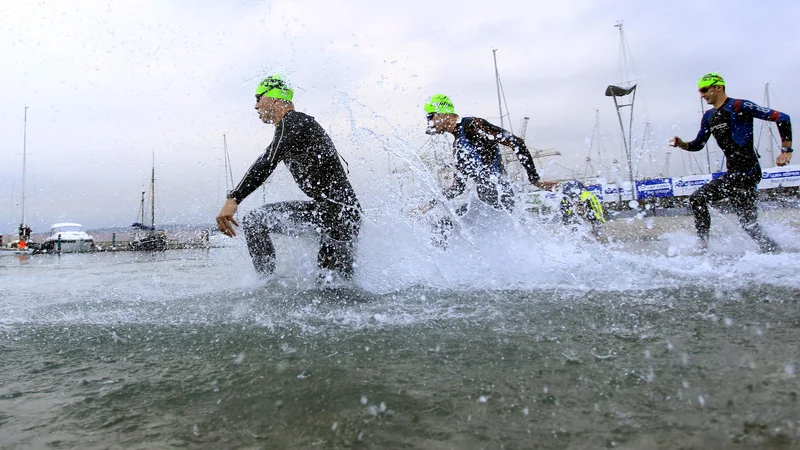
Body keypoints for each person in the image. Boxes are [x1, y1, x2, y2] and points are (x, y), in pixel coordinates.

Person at [216, 75, 362, 279]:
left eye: (259, 98)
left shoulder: (295, 122)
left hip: (340, 215)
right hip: (331, 212)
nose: (256, 106)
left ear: (273, 98)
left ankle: (267, 284)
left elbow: (267, 161)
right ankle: (266, 284)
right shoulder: (290, 128)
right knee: (255, 221)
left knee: (334, 288)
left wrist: (234, 198)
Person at [670, 73, 792, 252]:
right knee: (749, 225)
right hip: (734, 173)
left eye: (705, 90)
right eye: (700, 91)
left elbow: (782, 118)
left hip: (748, 171)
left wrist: (786, 151)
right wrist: (682, 144)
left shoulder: (739, 106)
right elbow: (698, 145)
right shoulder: (708, 117)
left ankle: (703, 247)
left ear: (718, 87)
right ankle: (775, 251)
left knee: (697, 198)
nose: (702, 95)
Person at [423, 94, 545, 212]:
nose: (428, 121)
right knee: (446, 224)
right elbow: (458, 188)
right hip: (485, 206)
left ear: (441, 114)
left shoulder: (472, 125)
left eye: (430, 116)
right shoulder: (458, 148)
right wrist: (428, 206)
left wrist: (535, 180)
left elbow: (517, 143)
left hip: (502, 203)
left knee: (449, 224)